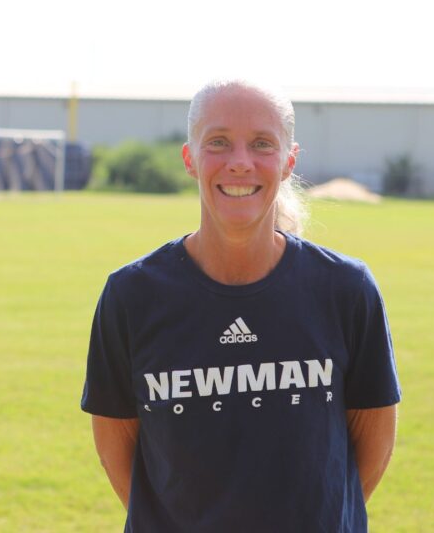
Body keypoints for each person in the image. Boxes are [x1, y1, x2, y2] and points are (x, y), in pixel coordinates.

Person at [80, 80, 401, 532]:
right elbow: (117, 446)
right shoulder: (132, 296)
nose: (239, 162)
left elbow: (373, 439)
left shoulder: (345, 289)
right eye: (218, 142)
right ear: (190, 158)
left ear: (289, 161)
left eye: (262, 144)